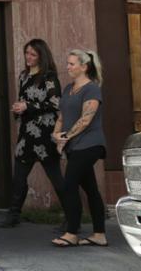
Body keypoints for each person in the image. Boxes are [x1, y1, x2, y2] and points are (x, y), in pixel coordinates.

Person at [0, 38, 64, 228]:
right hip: (27, 132)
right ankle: (14, 214)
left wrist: (28, 106)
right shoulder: (23, 76)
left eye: (33, 54)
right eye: (27, 53)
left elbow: (55, 104)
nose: (28, 57)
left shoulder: (49, 77)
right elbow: (24, 99)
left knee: (54, 175)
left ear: (41, 56)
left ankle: (71, 214)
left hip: (45, 133)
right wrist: (20, 108)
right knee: (19, 175)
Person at [51, 48, 107, 248]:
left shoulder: (91, 88)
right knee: (90, 189)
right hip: (74, 145)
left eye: (72, 64)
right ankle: (99, 234)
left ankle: (72, 232)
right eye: (67, 63)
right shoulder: (68, 89)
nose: (67, 67)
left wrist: (65, 137)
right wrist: (57, 135)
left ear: (84, 66)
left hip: (90, 144)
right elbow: (62, 116)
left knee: (69, 185)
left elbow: (86, 119)